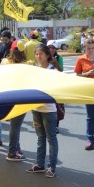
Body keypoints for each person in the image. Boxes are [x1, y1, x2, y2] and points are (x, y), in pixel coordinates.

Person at [27, 43, 60, 178]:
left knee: (51, 138)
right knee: (40, 137)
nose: (38, 56)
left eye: (40, 54)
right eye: (36, 54)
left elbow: (56, 89)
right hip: (36, 108)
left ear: (47, 55)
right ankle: (40, 164)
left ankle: (52, 167)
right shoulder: (34, 70)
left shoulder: (53, 71)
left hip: (49, 109)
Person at [2, 40, 31, 161]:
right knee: (15, 126)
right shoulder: (27, 65)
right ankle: (12, 152)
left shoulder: (4, 62)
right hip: (21, 98)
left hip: (7, 97)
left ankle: (16, 149)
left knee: (14, 126)